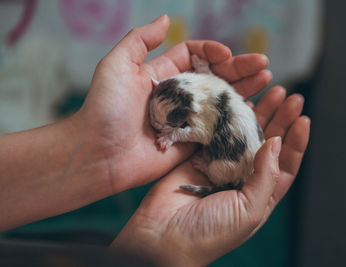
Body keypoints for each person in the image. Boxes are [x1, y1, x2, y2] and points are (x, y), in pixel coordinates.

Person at [0, 15, 310, 266]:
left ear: (189, 109)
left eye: (164, 122)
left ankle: (216, 177)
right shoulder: (200, 88)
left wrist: (175, 134)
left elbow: (201, 131)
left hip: (230, 161)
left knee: (218, 164)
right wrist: (164, 248)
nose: (154, 126)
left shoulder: (201, 109)